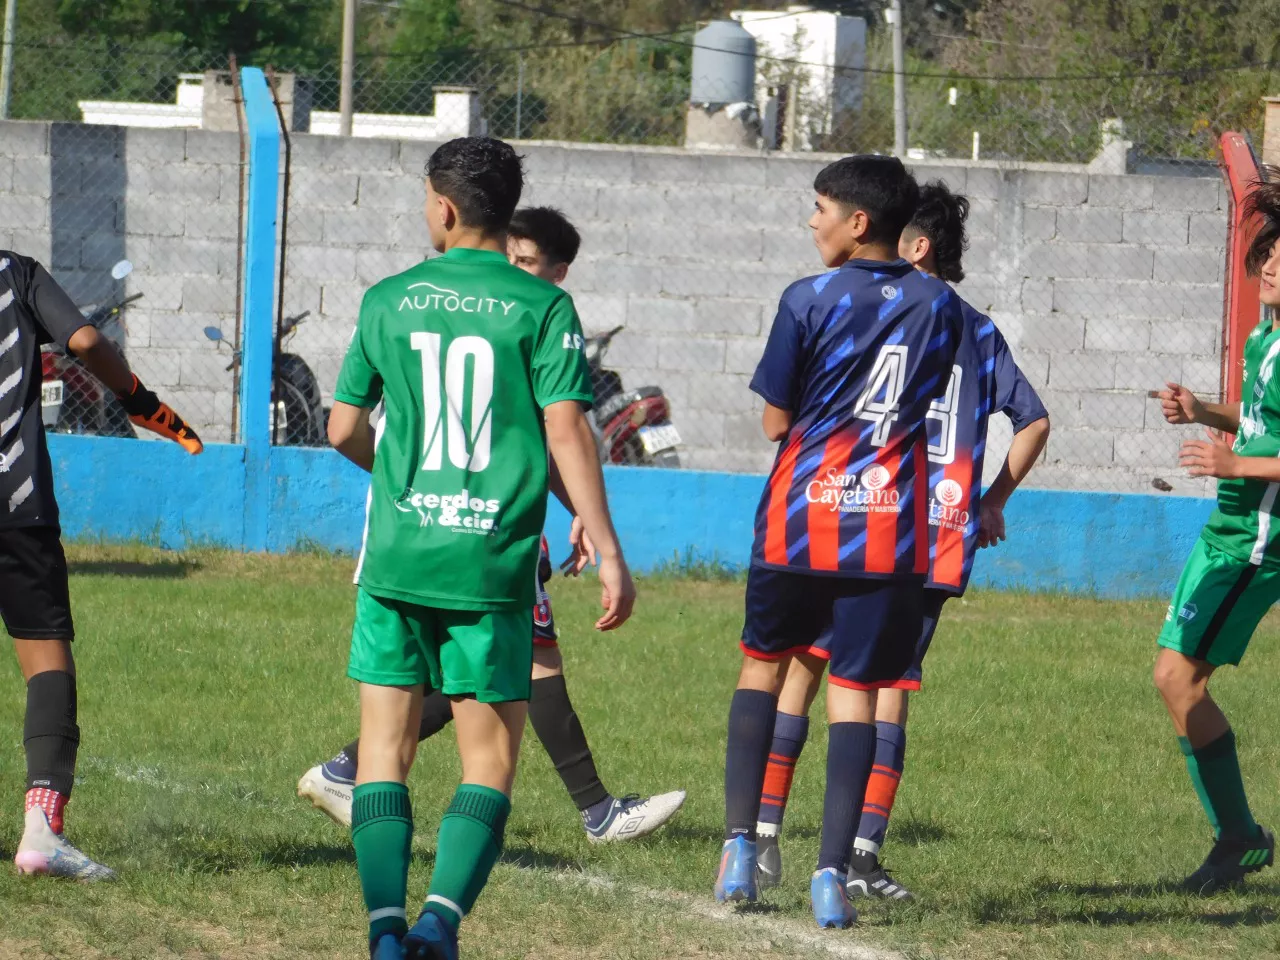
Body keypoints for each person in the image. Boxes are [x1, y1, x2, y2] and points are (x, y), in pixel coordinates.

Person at [326, 139, 636, 960]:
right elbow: (567, 427)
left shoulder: (387, 299)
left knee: (383, 754)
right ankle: (439, 923)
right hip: (488, 562)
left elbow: (344, 428)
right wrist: (603, 541)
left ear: (446, 208)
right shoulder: (540, 307)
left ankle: (385, 932)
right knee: (488, 758)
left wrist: (399, 473)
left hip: (396, 560)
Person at [298, 206, 684, 844]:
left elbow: (542, 439)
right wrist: (597, 531)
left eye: (530, 264)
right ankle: (595, 811)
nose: (515, 271)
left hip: (443, 525)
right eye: (513, 255)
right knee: (519, 666)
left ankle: (352, 779)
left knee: (469, 669)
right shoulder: (524, 318)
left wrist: (580, 513)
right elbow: (559, 431)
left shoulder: (422, 304)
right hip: (482, 526)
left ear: (560, 273)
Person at [749, 182, 1051, 901]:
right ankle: (859, 852)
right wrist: (988, 502)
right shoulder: (969, 325)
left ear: (913, 246)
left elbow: (793, 416)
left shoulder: (867, 311)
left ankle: (764, 834)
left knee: (803, 668)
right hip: (934, 532)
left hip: (855, 517)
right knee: (886, 687)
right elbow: (1034, 419)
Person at [715, 156, 964, 930]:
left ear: (859, 223)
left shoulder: (807, 297)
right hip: (887, 529)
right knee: (856, 693)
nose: (811, 220)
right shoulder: (945, 308)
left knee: (763, 670)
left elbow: (775, 420)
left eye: (819, 207)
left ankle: (737, 851)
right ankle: (830, 874)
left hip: (798, 520)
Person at [0, 250, 203, 880]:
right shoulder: (15, 273)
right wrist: (140, 399)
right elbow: (85, 340)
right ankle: (41, 832)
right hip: (16, 501)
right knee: (45, 654)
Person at [1152, 170, 1280, 893]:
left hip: (1258, 538)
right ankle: (1237, 836)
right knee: (1174, 678)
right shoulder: (1267, 339)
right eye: (1267, 255)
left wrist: (1237, 461)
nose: (1268, 266)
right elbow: (1262, 423)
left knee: (1177, 677)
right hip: (1230, 523)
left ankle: (1238, 837)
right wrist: (1206, 411)